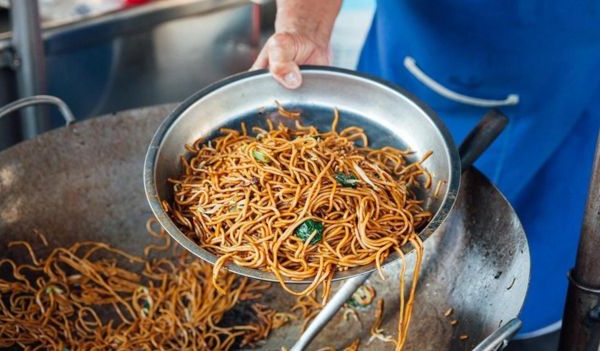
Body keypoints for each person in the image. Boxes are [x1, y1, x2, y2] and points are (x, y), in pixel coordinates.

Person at [252, 0, 600, 349]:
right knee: (388, 231)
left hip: (570, 83)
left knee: (521, 293)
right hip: (412, 83)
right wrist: (305, 28)